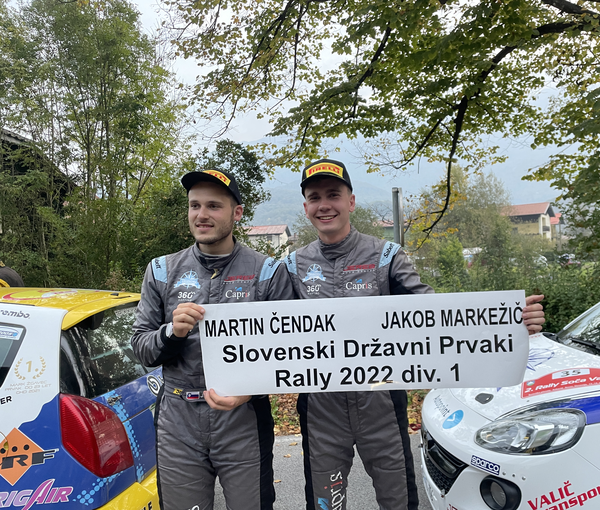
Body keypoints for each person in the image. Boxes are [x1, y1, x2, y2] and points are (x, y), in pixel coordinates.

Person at [284, 159, 545, 510]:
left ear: (351, 201)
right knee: (325, 503)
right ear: (306, 208)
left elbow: (434, 312)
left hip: (381, 402)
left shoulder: (386, 256)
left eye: (334, 194)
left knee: (399, 501)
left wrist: (508, 320)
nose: (324, 204)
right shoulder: (291, 265)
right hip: (321, 409)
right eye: (315, 197)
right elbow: (263, 331)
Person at [131, 168, 295, 510]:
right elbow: (142, 348)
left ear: (237, 212)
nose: (201, 215)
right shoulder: (161, 270)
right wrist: (171, 333)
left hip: (244, 418)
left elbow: (288, 353)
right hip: (178, 418)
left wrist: (248, 391)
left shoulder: (268, 272)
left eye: (213, 206)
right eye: (194, 206)